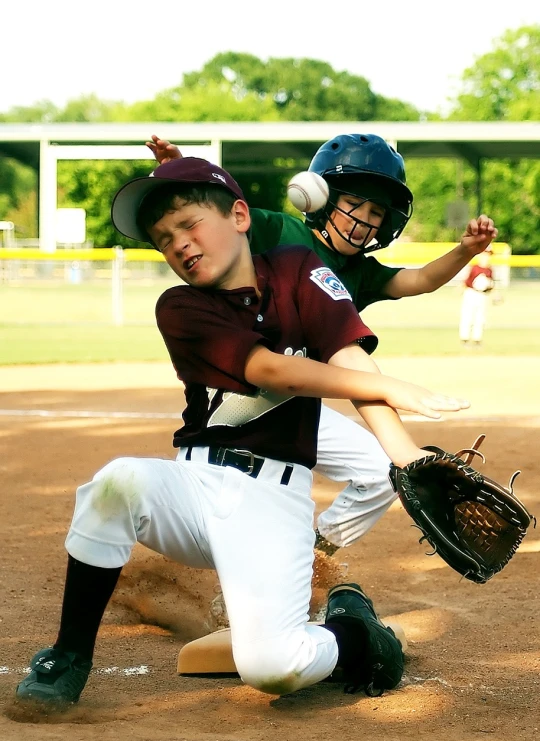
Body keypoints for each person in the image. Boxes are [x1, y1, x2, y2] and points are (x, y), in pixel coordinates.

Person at [16, 157, 469, 708]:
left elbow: (348, 355)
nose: (178, 243)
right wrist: (395, 386)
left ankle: (357, 635)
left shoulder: (302, 269)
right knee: (117, 483)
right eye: (164, 239)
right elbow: (269, 370)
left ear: (238, 215)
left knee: (273, 668)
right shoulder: (180, 306)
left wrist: (405, 454)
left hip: (272, 505)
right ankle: (67, 656)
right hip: (193, 493)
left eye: (188, 225)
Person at [147, 134, 498, 555]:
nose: (363, 220)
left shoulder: (361, 271)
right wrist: (181, 171)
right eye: (355, 205)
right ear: (321, 197)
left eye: (376, 212)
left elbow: (420, 280)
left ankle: (314, 556)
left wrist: (465, 251)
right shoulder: (282, 230)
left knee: (377, 471)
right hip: (244, 387)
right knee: (240, 496)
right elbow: (216, 217)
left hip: (299, 397)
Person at [459, 245, 495, 347]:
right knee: (467, 315)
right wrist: (461, 289)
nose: (487, 257)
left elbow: (491, 284)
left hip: (483, 295)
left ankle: (477, 339)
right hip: (471, 293)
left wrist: (494, 294)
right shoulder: (474, 267)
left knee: (480, 317)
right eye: (485, 254)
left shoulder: (490, 270)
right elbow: (466, 282)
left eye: (489, 255)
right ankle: (464, 338)